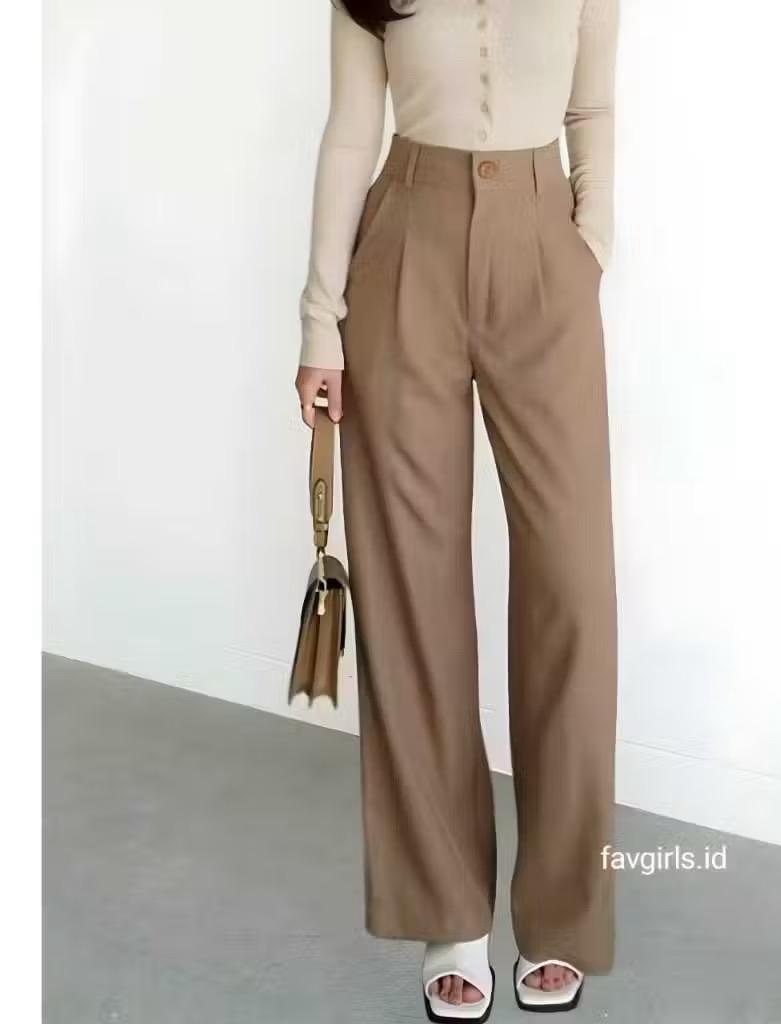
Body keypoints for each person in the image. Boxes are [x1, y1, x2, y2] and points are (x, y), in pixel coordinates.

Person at [294, 1, 619, 1017]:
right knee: (412, 592)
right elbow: (352, 129)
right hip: (405, 246)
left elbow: (593, 108)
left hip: (544, 254)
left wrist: (588, 243)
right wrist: (320, 321)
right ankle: (450, 912)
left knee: (573, 589)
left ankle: (562, 914)